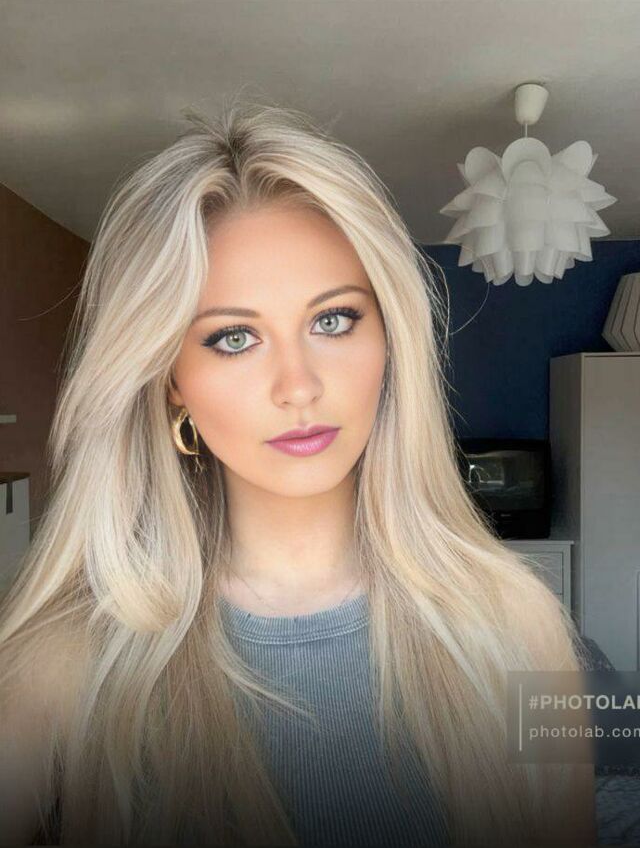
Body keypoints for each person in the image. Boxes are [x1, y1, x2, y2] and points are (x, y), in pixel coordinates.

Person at [0, 97, 596, 847]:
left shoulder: (519, 621)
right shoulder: (63, 663)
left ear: (391, 341)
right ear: (169, 378)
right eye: (233, 337)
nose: (299, 385)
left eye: (333, 320)